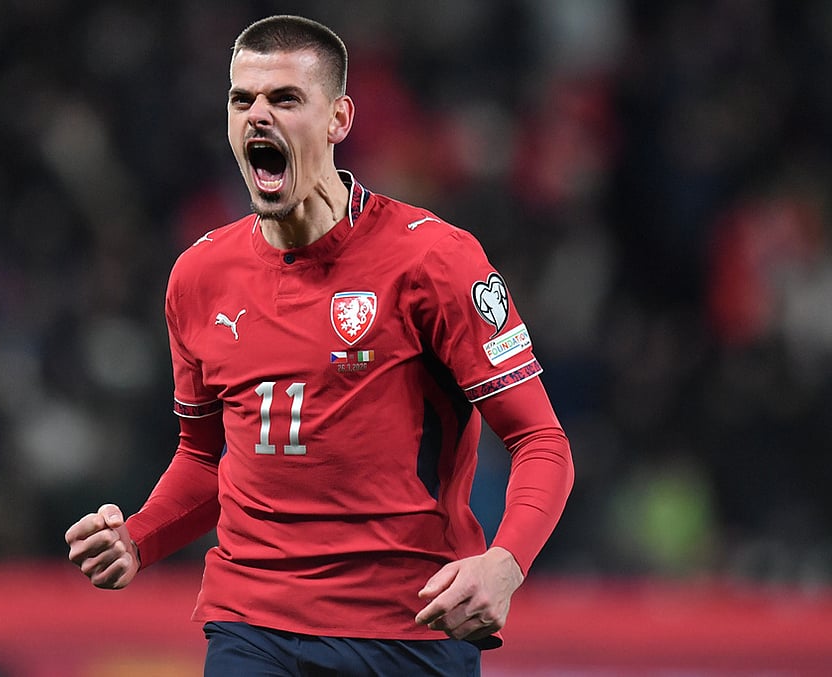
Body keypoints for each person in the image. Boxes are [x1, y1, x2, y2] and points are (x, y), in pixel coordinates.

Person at [66, 14, 573, 676]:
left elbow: (542, 441)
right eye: (241, 99)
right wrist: (138, 536)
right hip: (253, 629)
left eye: (284, 98)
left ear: (339, 119)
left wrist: (505, 565)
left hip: (410, 629)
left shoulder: (436, 260)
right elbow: (204, 458)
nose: (257, 116)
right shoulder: (198, 276)